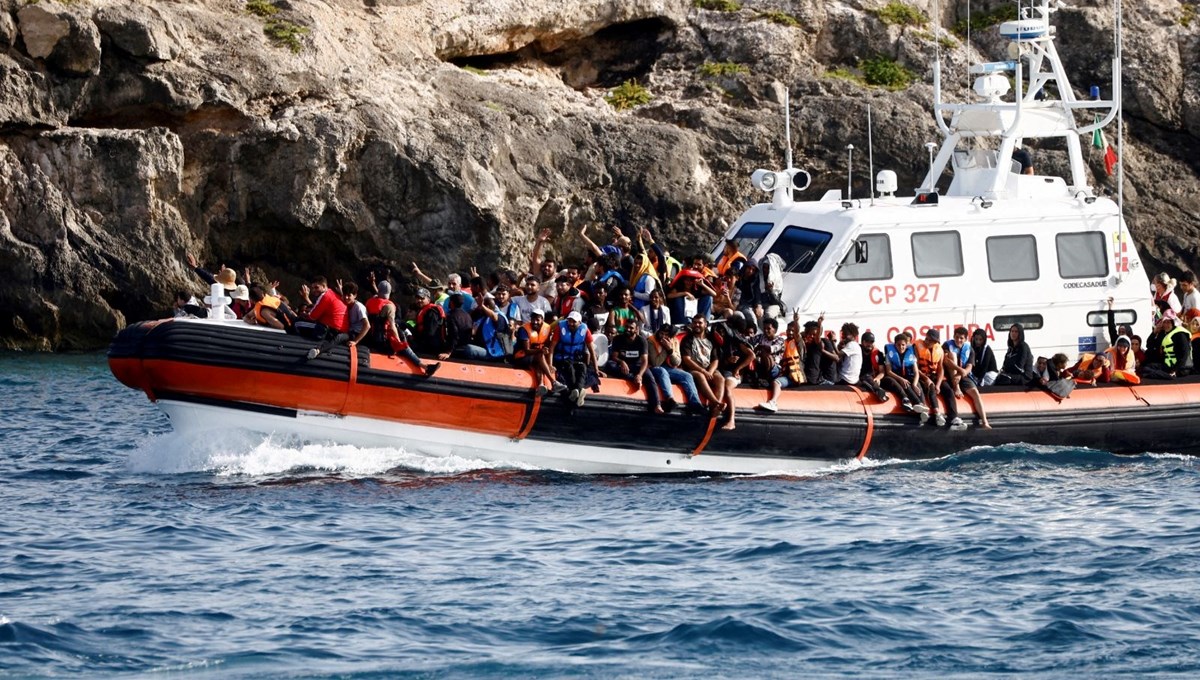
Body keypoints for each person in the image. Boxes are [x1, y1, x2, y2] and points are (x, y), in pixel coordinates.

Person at [604, 316, 664, 413]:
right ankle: (632, 378)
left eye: (631, 328)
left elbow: (645, 361)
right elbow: (614, 357)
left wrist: (640, 375)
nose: (628, 329)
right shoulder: (618, 339)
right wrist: (622, 362)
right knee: (610, 366)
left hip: (636, 365)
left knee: (650, 377)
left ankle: (657, 404)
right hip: (622, 366)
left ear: (636, 329)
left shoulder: (642, 341)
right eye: (626, 327)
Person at [647, 325, 706, 415]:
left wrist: (670, 350)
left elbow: (677, 362)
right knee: (663, 371)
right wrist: (665, 349)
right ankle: (670, 399)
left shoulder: (675, 341)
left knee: (687, 376)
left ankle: (695, 404)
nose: (663, 337)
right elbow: (655, 362)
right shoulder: (651, 340)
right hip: (653, 368)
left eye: (666, 335)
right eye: (661, 333)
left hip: (670, 368)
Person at [944, 326, 990, 429]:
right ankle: (956, 387)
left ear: (965, 339)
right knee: (952, 355)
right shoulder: (947, 346)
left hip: (963, 375)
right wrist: (959, 370)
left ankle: (985, 421)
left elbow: (969, 366)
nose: (958, 340)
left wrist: (961, 373)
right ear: (953, 336)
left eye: (961, 338)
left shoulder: (969, 349)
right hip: (950, 374)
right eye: (956, 337)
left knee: (975, 393)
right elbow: (946, 361)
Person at [549, 310, 598, 406]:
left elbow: (592, 350)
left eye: (573, 322)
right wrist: (550, 365)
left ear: (579, 323)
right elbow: (552, 348)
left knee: (582, 367)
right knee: (569, 368)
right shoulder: (560, 328)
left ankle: (577, 390)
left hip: (576, 358)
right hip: (561, 358)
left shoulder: (585, 330)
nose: (570, 324)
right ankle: (577, 391)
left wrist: (596, 368)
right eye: (569, 321)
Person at [680, 315, 726, 415]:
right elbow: (687, 360)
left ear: (705, 324)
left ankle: (714, 409)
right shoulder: (687, 340)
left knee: (720, 378)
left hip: (708, 368)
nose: (697, 325)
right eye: (695, 322)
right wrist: (703, 371)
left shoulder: (711, 340)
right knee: (700, 376)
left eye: (700, 323)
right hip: (693, 368)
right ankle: (716, 402)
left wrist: (710, 372)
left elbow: (715, 360)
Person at [916, 329, 961, 429]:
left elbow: (940, 369)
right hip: (921, 375)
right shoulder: (917, 347)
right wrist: (926, 379)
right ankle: (936, 413)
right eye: (927, 339)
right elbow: (915, 367)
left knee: (949, 390)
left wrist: (939, 384)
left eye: (931, 341)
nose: (928, 342)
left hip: (934, 375)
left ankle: (954, 417)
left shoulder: (939, 350)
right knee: (930, 387)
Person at [300, 276, 349, 360]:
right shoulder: (332, 294)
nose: (314, 290)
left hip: (329, 330)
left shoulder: (325, 296)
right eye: (312, 288)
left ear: (324, 286)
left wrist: (303, 314)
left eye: (316, 287)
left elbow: (312, 317)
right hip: (339, 330)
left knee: (297, 323)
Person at [882, 332, 929, 419]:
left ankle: (923, 406)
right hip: (896, 376)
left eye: (903, 345)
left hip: (907, 376)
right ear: (895, 345)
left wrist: (914, 384)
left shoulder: (911, 353)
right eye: (898, 345)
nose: (901, 347)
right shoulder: (890, 354)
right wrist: (900, 379)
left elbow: (916, 372)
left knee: (917, 384)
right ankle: (917, 403)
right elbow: (888, 371)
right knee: (905, 384)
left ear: (906, 344)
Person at [514, 308, 557, 395]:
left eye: (537, 319)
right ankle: (553, 382)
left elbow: (547, 347)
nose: (535, 322)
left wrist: (550, 364)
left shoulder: (547, 328)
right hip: (521, 356)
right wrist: (541, 350)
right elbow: (527, 350)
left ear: (542, 320)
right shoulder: (524, 330)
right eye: (533, 319)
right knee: (539, 356)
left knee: (539, 360)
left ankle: (541, 384)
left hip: (536, 356)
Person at [752, 317, 790, 412]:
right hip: (760, 365)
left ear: (775, 330)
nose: (766, 331)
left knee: (766, 355)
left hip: (775, 369)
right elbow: (749, 343)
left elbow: (772, 349)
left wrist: (760, 348)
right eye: (764, 328)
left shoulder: (780, 340)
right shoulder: (760, 337)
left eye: (768, 329)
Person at [1141, 309, 1190, 379]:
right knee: (1145, 369)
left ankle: (1168, 376)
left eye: (1168, 322)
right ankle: (1165, 375)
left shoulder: (1180, 334)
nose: (1166, 325)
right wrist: (1154, 332)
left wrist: (1175, 370)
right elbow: (1149, 345)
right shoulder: (1163, 333)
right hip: (1167, 365)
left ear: (1173, 323)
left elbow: (1184, 354)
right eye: (1164, 322)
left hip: (1180, 368)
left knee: (1148, 371)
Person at [469, 294, 511, 361]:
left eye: (481, 306)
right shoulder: (482, 318)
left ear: (487, 307)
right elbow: (473, 332)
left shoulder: (500, 316)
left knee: (469, 349)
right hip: (482, 348)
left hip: (494, 352)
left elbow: (494, 316)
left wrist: (482, 306)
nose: (479, 308)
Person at [802, 316, 839, 385]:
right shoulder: (809, 345)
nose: (812, 336)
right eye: (810, 334)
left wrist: (823, 350)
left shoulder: (825, 342)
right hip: (819, 379)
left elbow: (836, 358)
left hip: (829, 379)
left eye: (814, 334)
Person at [412, 287, 449, 356]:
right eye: (417, 298)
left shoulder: (432, 312)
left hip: (431, 347)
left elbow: (431, 332)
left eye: (422, 298)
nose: (419, 300)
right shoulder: (422, 310)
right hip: (425, 344)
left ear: (428, 299)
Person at [442, 293, 478, 360]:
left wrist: (449, 352)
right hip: (466, 346)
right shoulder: (467, 315)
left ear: (452, 303)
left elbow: (454, 334)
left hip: (456, 349)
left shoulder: (451, 316)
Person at [856, 331, 889, 402]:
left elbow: (882, 371)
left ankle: (880, 391)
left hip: (872, 378)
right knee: (865, 378)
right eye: (867, 342)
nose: (869, 344)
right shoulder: (857, 350)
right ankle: (878, 390)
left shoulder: (878, 354)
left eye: (871, 342)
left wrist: (878, 378)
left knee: (867, 377)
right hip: (858, 377)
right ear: (862, 342)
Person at [342, 282, 371, 347]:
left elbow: (367, 326)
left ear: (355, 295)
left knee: (340, 337)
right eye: (345, 295)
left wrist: (355, 341)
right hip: (349, 331)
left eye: (349, 295)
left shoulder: (359, 307)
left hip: (356, 334)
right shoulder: (347, 304)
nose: (346, 298)